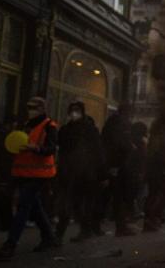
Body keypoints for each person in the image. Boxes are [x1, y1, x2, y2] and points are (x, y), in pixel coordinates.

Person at [0, 97, 60, 261]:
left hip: (39, 174)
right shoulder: (26, 125)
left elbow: (51, 149)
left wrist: (35, 148)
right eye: (28, 107)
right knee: (34, 207)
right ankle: (49, 237)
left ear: (42, 109)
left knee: (23, 206)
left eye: (34, 107)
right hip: (23, 173)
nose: (30, 110)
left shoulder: (49, 126)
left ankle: (10, 244)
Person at [55, 101, 104, 243]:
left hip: (84, 173)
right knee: (67, 204)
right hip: (69, 171)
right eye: (72, 110)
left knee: (75, 203)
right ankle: (60, 233)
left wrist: (100, 173)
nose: (74, 113)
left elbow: (98, 151)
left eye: (77, 110)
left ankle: (78, 230)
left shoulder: (88, 129)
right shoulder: (65, 129)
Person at [99, 103, 136, 236]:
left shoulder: (111, 122)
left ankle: (94, 225)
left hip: (110, 163)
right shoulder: (122, 124)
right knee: (119, 196)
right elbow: (120, 145)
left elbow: (106, 142)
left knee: (107, 195)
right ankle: (121, 227)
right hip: (118, 165)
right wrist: (117, 164)